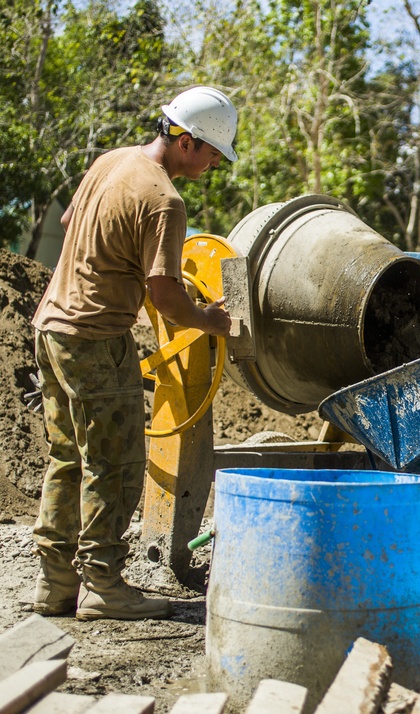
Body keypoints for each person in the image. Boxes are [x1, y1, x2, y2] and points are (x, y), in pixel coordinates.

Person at [31, 86, 238, 621]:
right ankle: (103, 585)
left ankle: (54, 586)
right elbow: (167, 299)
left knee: (67, 458)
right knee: (117, 464)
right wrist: (210, 319)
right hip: (96, 338)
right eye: (214, 152)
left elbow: (70, 222)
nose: (215, 164)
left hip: (51, 326)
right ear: (187, 141)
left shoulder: (110, 162)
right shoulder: (165, 201)